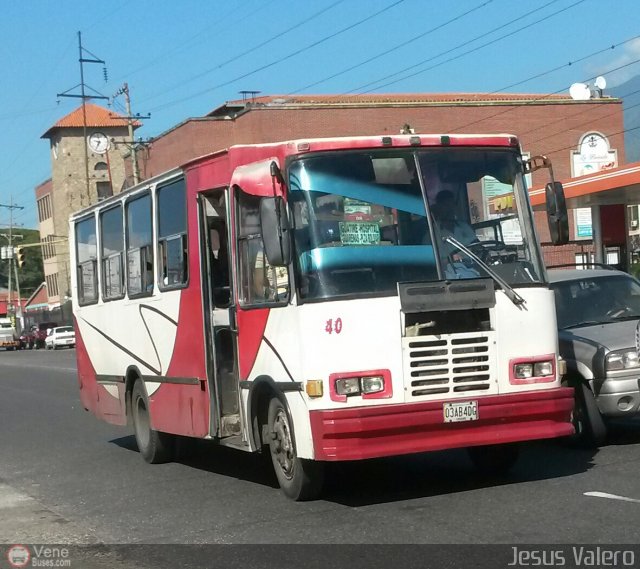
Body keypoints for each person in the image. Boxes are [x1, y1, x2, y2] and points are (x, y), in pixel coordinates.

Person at [432, 190, 478, 257]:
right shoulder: (433, 233)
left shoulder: (464, 226)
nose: (450, 209)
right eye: (446, 205)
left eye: (452, 205)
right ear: (439, 208)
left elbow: (477, 246)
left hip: (473, 265)